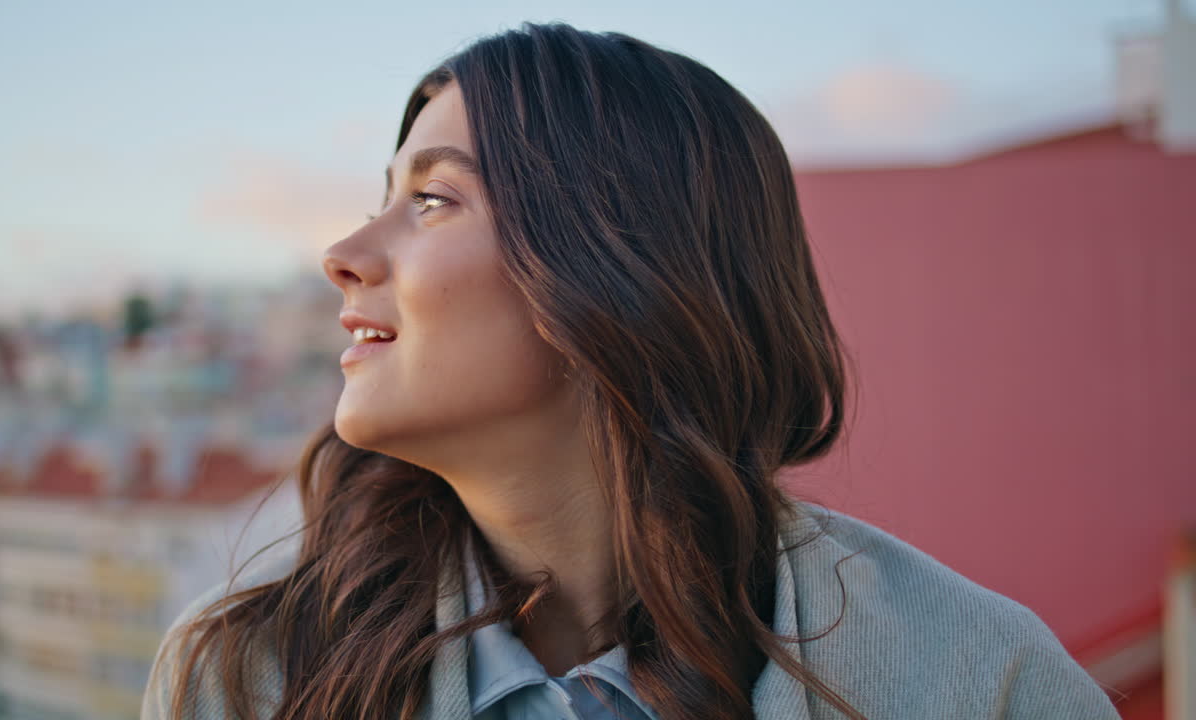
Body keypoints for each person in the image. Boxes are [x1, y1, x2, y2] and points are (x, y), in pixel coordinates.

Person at [141, 21, 1120, 720]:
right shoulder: (242, 678)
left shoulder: (978, 683)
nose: (345, 251)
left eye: (432, 200)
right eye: (381, 197)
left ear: (612, 264)